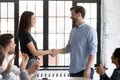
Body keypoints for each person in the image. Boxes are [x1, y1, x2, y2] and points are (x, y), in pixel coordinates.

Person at [52, 6, 98, 80]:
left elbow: (93, 51)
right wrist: (56, 51)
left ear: (79, 15)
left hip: (84, 70)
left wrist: (88, 68)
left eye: (73, 14)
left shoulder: (90, 30)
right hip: (73, 70)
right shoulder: (73, 31)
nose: (71, 17)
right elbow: (68, 48)